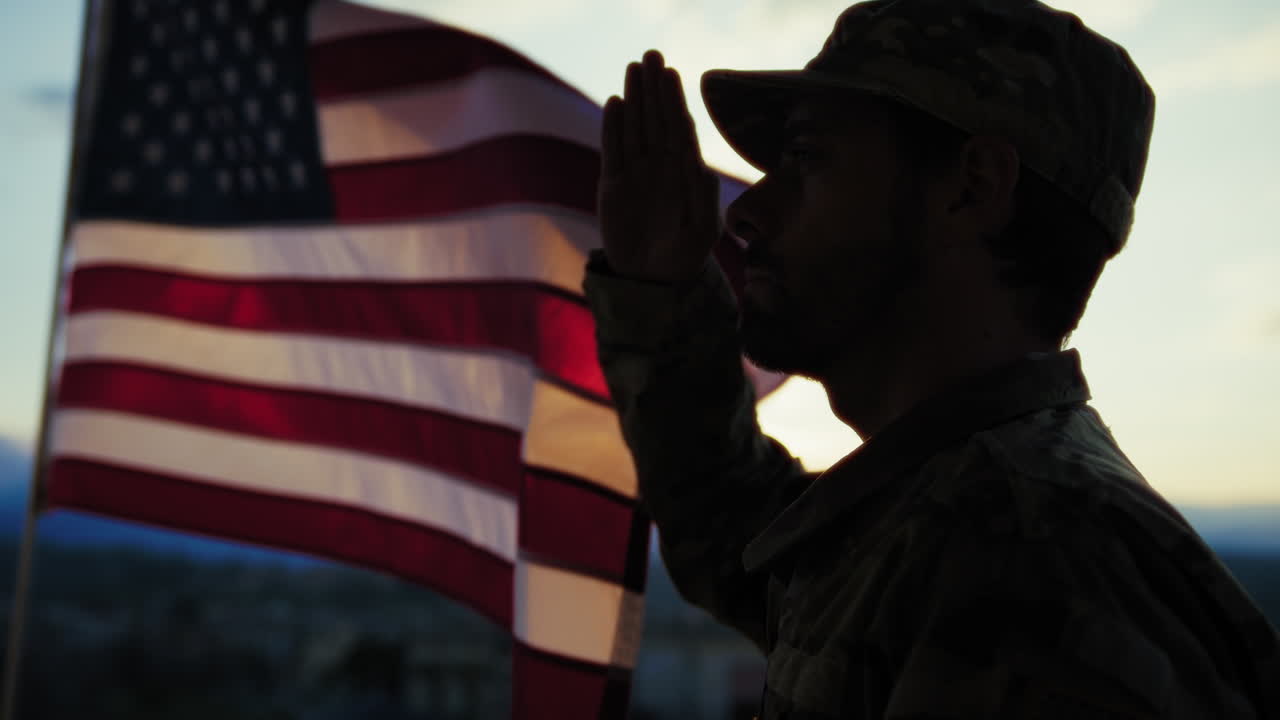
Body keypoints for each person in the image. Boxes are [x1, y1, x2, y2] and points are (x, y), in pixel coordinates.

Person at [582, 0, 1280, 717]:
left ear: (974, 186)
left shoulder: (1033, 573)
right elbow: (727, 524)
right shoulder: (948, 518)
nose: (744, 213)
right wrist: (660, 292)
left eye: (806, 158)